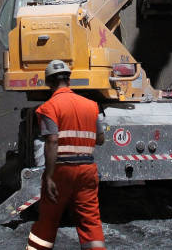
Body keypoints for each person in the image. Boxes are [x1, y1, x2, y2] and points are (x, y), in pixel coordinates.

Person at [26, 60, 106, 250]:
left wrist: (49, 176)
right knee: (90, 222)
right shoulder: (91, 106)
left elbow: (52, 141)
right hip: (87, 170)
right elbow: (100, 139)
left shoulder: (48, 108)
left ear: (49, 83)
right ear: (69, 80)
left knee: (47, 221)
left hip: (62, 171)